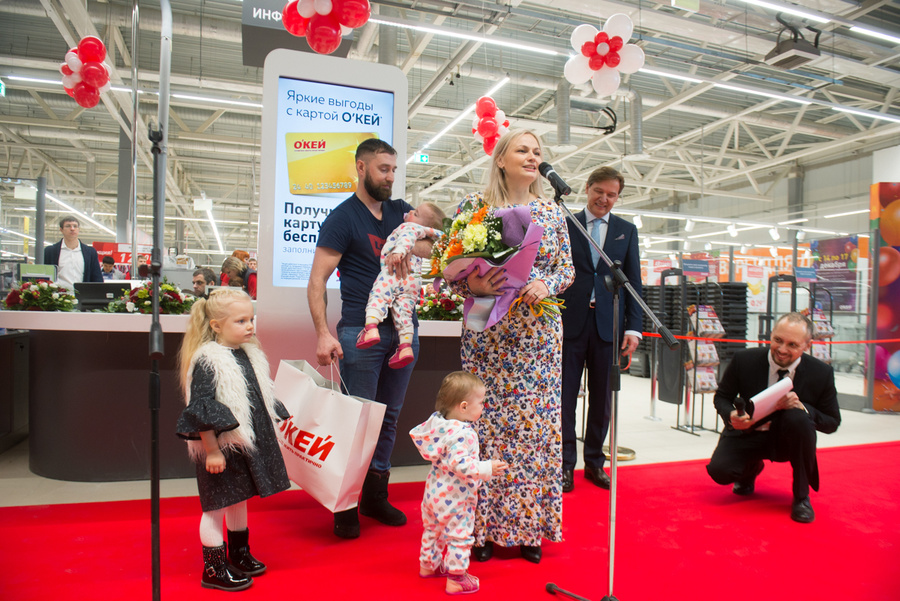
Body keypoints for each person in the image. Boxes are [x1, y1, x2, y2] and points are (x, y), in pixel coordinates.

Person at [447, 129, 574, 564]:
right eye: (522, 149)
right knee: (484, 427)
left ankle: (531, 528)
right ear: (500, 158)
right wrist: (472, 280)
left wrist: (547, 281)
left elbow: (567, 269)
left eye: (537, 151)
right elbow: (449, 270)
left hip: (536, 335)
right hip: (487, 332)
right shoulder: (473, 208)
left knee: (534, 430)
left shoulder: (553, 213)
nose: (532, 156)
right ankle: (480, 529)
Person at [307, 137, 423, 539]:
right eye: (382, 169)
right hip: (361, 330)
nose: (390, 177)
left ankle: (375, 494)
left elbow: (430, 247)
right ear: (361, 168)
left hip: (404, 330)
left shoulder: (399, 212)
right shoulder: (343, 218)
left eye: (393, 169)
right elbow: (317, 281)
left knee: (388, 418)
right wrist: (323, 333)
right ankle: (345, 502)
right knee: (357, 421)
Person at [175, 288, 291, 591]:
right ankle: (212, 568)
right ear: (216, 326)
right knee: (216, 504)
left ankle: (239, 553)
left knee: (239, 498)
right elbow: (201, 409)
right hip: (221, 447)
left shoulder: (248, 354)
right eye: (240, 321)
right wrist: (212, 450)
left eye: (251, 319)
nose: (250, 326)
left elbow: (256, 395)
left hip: (243, 444)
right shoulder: (208, 361)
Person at [706, 312, 841, 523]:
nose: (782, 349)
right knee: (719, 471)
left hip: (790, 439)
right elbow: (722, 397)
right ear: (771, 335)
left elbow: (832, 422)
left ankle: (801, 497)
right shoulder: (745, 360)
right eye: (778, 340)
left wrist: (803, 407)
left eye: (792, 345)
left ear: (807, 345)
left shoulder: (821, 373)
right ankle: (751, 469)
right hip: (747, 433)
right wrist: (730, 414)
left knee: (799, 418)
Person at [558, 166, 643, 493]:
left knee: (602, 401)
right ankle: (566, 464)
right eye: (599, 192)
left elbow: (635, 282)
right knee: (564, 399)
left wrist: (633, 329)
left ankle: (594, 463)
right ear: (587, 188)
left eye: (612, 195)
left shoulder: (626, 230)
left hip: (609, 327)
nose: (604, 199)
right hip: (570, 325)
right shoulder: (567, 223)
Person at [410, 371, 508, 595]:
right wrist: (487, 468)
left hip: (434, 492)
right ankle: (456, 578)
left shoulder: (438, 424)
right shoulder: (464, 434)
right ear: (463, 406)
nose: (483, 407)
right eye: (481, 402)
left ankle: (428, 565)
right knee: (459, 536)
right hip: (456, 496)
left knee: (432, 530)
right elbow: (461, 465)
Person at [357, 202, 446, 369]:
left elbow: (407, 238)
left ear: (422, 224)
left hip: (394, 272)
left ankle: (371, 328)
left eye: (416, 213)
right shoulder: (428, 234)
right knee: (404, 313)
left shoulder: (410, 227)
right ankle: (405, 348)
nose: (411, 211)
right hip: (412, 282)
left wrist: (398, 252)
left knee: (378, 296)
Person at [43, 215, 103, 290]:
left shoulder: (90, 252)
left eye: (75, 226)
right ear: (61, 229)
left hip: (83, 297)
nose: (72, 229)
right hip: (59, 297)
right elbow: (45, 277)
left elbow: (97, 278)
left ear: (79, 229)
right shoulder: (50, 251)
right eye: (68, 226)